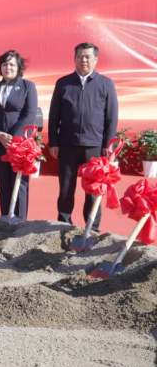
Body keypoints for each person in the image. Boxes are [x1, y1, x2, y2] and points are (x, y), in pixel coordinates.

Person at [48, 42, 119, 230]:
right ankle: (63, 224)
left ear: (96, 59)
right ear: (74, 59)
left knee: (93, 190)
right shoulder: (63, 83)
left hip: (94, 145)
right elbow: (54, 115)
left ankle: (92, 228)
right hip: (67, 143)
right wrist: (53, 141)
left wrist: (108, 145)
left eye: (87, 56)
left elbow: (111, 118)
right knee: (66, 188)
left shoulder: (106, 84)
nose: (83, 60)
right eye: (80, 56)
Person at [0, 50, 38, 220]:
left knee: (20, 181)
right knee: (3, 181)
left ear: (19, 67)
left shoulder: (28, 86)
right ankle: (6, 218)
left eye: (12, 64)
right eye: (4, 64)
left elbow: (30, 114)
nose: (8, 67)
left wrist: (14, 137)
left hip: (20, 143)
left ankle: (20, 220)